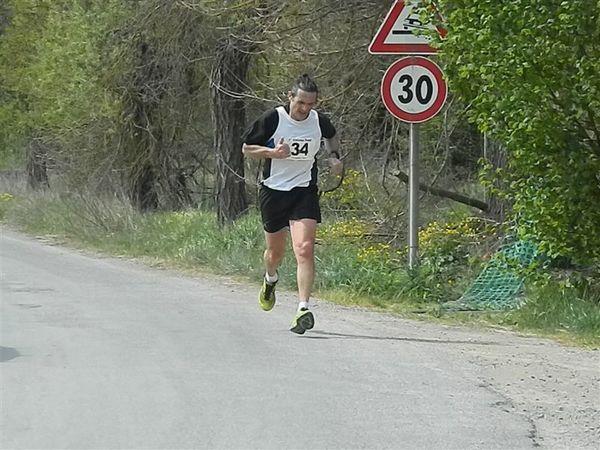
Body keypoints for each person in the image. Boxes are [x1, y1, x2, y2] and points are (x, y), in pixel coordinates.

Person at [241, 74, 343, 334]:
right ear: (290, 97)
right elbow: (246, 148)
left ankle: (302, 308)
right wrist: (272, 153)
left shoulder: (319, 121)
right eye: (301, 103)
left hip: (304, 190)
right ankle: (270, 279)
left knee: (305, 248)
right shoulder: (273, 119)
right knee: (275, 254)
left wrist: (333, 157)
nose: (306, 109)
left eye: (311, 104)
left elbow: (331, 136)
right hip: (274, 192)